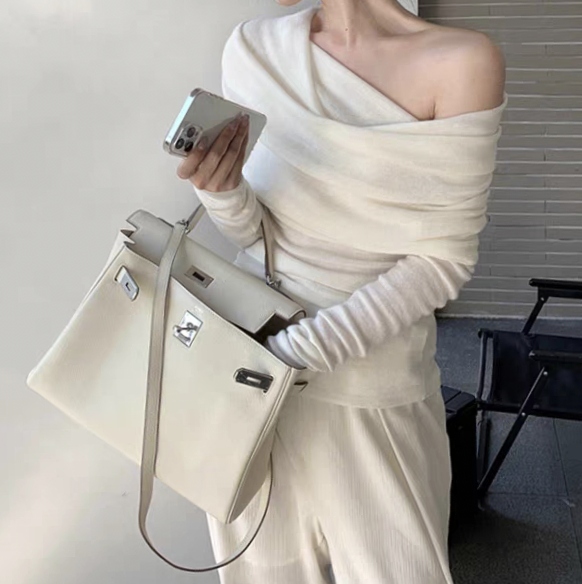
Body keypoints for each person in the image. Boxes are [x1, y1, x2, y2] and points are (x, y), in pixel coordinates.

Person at [176, 0, 507, 582]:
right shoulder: (253, 48)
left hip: (369, 396)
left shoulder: (462, 62)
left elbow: (442, 261)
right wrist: (221, 192)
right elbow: (260, 238)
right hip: (250, 386)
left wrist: (294, 355)